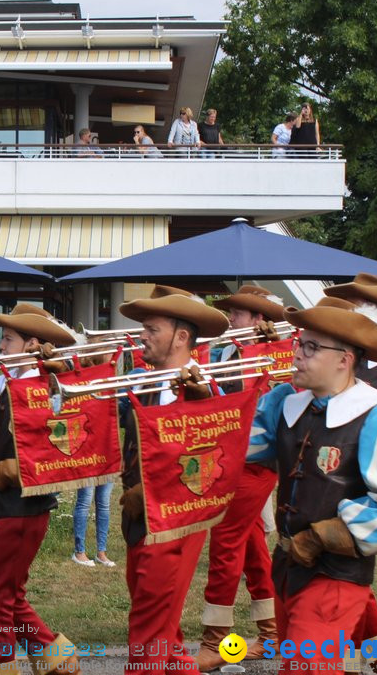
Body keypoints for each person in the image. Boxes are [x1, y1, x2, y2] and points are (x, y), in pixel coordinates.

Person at [246, 304, 377, 673]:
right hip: (286, 569)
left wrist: (321, 537)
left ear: (344, 360)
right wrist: (200, 402)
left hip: (336, 576)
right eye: (300, 343)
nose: (297, 353)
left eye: (311, 347)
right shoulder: (285, 403)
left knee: (307, 668)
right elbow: (234, 447)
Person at [115, 287, 230, 674]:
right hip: (139, 520)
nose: (141, 335)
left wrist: (201, 402)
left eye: (151, 328)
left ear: (181, 337)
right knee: (162, 624)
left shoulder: (207, 389)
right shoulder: (144, 382)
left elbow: (208, 464)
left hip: (174, 523)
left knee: (148, 628)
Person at [0, 305, 82, 675]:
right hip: (8, 503)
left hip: (20, 507)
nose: (0, 344)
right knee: (11, 597)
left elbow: (57, 436)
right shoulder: (8, 380)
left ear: (32, 343)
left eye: (8, 339)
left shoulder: (43, 381)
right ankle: (59, 661)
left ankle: (2, 667)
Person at [193, 285, 286, 669]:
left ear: (259, 319)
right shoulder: (229, 351)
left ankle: (215, 641)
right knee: (249, 545)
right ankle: (272, 633)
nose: (231, 318)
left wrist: (270, 347)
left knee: (226, 541)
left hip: (255, 461)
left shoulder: (270, 353)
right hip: (233, 457)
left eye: (238, 313)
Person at [71, 483, 113, 567]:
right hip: (87, 469)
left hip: (106, 470)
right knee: (84, 502)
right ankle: (79, 553)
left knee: (104, 504)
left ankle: (101, 553)